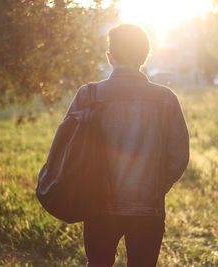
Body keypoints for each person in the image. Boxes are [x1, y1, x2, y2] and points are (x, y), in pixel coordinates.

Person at [66, 24, 189, 267]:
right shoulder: (165, 99)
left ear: (110, 57)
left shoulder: (89, 95)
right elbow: (179, 157)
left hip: (98, 206)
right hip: (148, 209)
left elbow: (68, 150)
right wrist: (155, 187)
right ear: (145, 57)